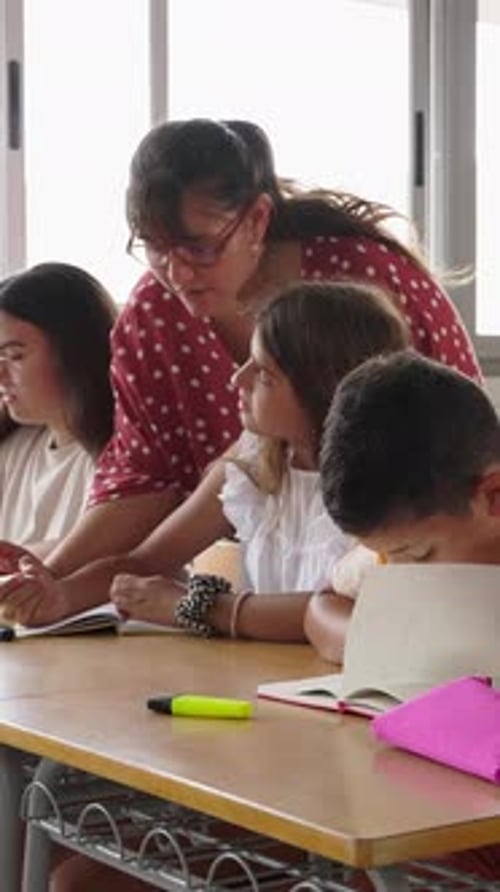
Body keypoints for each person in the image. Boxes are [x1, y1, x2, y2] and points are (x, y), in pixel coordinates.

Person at [39, 117, 480, 584]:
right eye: (154, 248)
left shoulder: (371, 277)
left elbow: (463, 444)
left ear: (257, 219)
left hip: (421, 579)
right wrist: (51, 579)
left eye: (200, 247)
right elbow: (145, 478)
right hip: (259, 579)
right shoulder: (157, 316)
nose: (178, 274)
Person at [1, 281, 409, 635]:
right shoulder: (253, 459)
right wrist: (61, 597)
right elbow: (146, 560)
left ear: (321, 388)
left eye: (263, 374)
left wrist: (200, 607)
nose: (237, 379)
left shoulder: (390, 483)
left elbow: (345, 612)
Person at [306, 349, 500, 885]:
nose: (396, 575)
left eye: (414, 558)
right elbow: (323, 603)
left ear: (493, 496)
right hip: (453, 803)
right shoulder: (416, 531)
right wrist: (378, 646)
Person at [0, 263, 116, 557]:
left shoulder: (122, 461)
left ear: (74, 352)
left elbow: (116, 553)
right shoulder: (15, 448)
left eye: (15, 356)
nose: (1, 375)